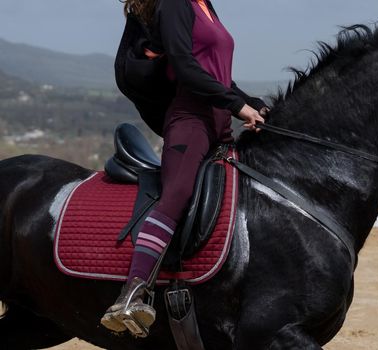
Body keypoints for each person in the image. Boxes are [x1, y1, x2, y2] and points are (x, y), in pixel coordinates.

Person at [101, 0, 267, 337]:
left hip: (218, 122)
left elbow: (218, 75)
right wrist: (238, 106)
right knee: (177, 192)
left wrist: (256, 103)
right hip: (190, 119)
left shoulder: (204, 4)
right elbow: (185, 68)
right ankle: (133, 292)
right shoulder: (175, 4)